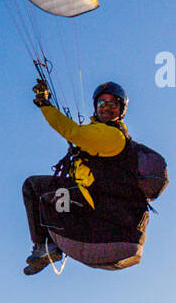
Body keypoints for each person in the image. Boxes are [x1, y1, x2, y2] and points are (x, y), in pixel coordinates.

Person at [22, 80, 150, 274]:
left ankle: (45, 247)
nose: (107, 108)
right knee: (53, 193)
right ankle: (52, 244)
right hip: (100, 207)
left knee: (34, 187)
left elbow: (73, 132)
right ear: (96, 107)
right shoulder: (99, 137)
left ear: (121, 111)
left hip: (98, 204)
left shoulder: (113, 136)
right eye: (102, 103)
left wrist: (44, 103)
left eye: (113, 104)